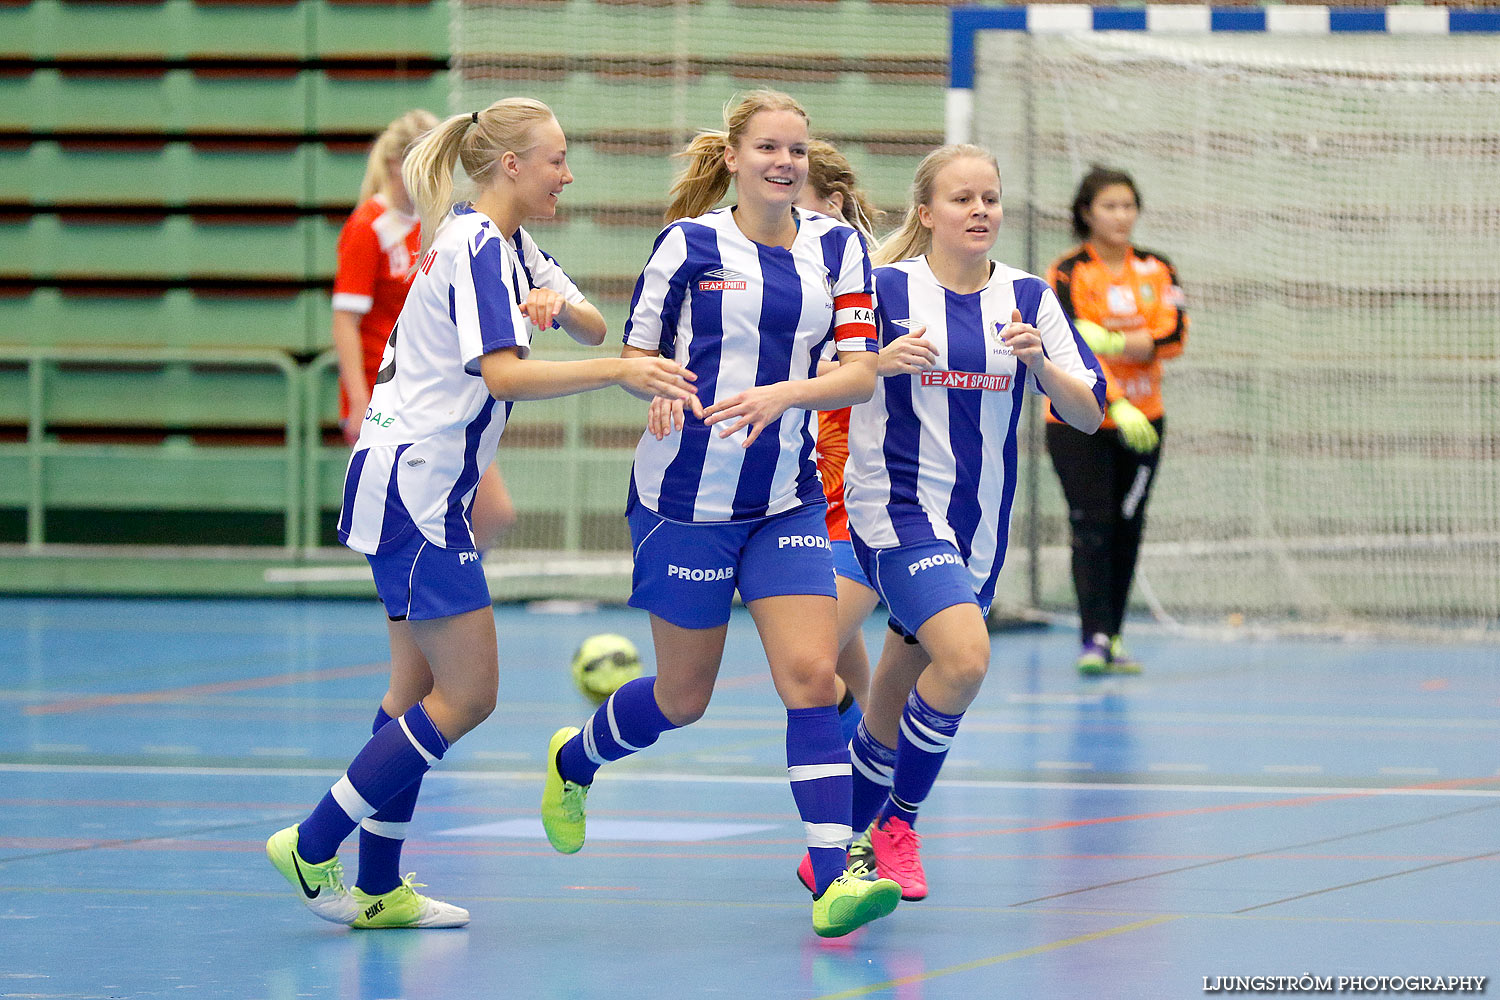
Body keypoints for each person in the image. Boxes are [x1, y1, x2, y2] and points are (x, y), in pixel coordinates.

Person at [265, 98, 696, 930]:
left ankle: (381, 888)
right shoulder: (471, 249)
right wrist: (614, 372)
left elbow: (594, 317)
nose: (567, 174)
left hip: (410, 487)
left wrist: (559, 310)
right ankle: (314, 841)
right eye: (557, 160)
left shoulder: (509, 242)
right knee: (470, 695)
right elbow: (501, 377)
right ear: (511, 166)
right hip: (416, 494)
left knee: (415, 690)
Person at [541, 90, 903, 939]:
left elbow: (857, 372)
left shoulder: (839, 247)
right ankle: (574, 757)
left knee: (814, 677)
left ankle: (833, 873)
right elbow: (638, 352)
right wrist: (656, 386)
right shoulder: (689, 245)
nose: (786, 163)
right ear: (735, 158)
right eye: (769, 148)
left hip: (787, 497)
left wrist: (785, 395)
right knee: (682, 696)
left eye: (798, 151)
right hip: (687, 501)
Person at [832, 144, 1105, 902]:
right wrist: (877, 361)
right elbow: (824, 382)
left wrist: (1043, 368)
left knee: (887, 707)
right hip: (894, 509)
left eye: (990, 197)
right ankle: (898, 826)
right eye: (961, 199)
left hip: (976, 529)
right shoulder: (883, 289)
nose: (980, 210)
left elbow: (1089, 412)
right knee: (967, 660)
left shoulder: (1029, 298)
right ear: (926, 214)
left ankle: (839, 850)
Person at [792, 140, 935, 886]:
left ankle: (859, 833)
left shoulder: (878, 288)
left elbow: (861, 375)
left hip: (862, 508)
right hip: (800, 499)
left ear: (837, 207)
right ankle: (864, 829)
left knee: (814, 662)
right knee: (853, 694)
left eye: (799, 202)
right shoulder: (775, 277)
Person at [331, 109, 519, 552]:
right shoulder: (368, 226)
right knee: (407, 525)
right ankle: (430, 604)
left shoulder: (440, 224)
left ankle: (451, 594)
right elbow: (344, 320)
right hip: (390, 393)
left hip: (437, 389)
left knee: (489, 511)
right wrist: (356, 401)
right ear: (399, 163)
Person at [1046, 166, 1187, 675]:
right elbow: (1068, 344)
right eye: (1110, 206)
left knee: (1128, 527)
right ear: (1087, 212)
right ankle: (1094, 637)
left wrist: (1113, 340)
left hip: (1146, 421)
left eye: (1129, 205)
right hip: (1080, 422)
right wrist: (1114, 397)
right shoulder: (1067, 271)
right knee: (1092, 524)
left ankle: (1117, 635)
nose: (1121, 216)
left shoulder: (1156, 268)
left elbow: (1172, 338)